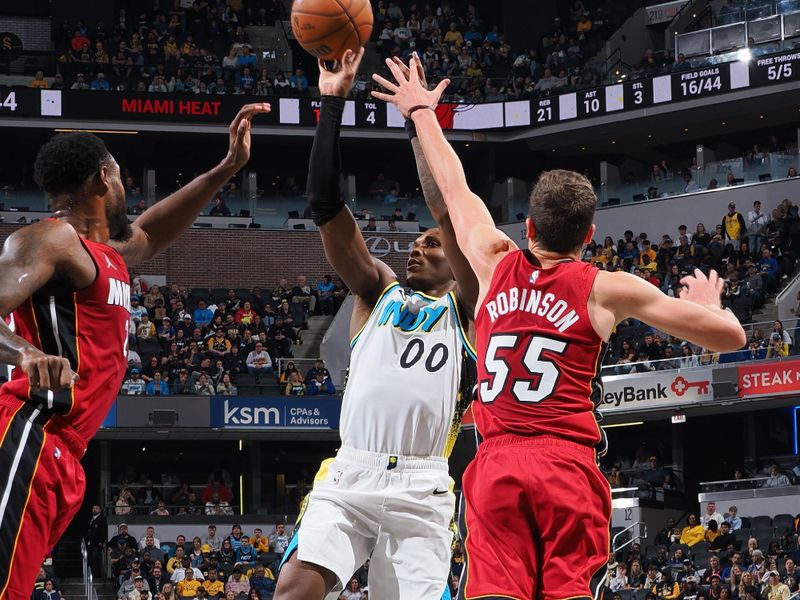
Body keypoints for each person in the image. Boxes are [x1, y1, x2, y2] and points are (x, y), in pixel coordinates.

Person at [371, 52, 746, 600]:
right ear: (589, 235)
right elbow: (730, 338)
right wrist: (715, 305)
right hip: (566, 465)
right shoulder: (606, 286)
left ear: (527, 227)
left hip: (496, 461)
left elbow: (454, 192)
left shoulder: (494, 259)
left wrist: (423, 111)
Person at [0, 102, 269, 597]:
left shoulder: (106, 253)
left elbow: (153, 232)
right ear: (104, 178)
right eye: (121, 176)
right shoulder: (51, 239)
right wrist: (24, 352)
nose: (126, 188)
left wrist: (227, 167)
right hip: (28, 430)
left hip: (65, 450)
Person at [273, 50, 478, 600]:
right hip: (351, 472)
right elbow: (323, 204)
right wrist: (332, 101)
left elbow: (452, 214)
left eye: (429, 244)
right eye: (413, 243)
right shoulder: (376, 293)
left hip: (424, 482)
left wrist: (419, 123)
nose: (417, 248)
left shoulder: (469, 310)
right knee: (293, 590)